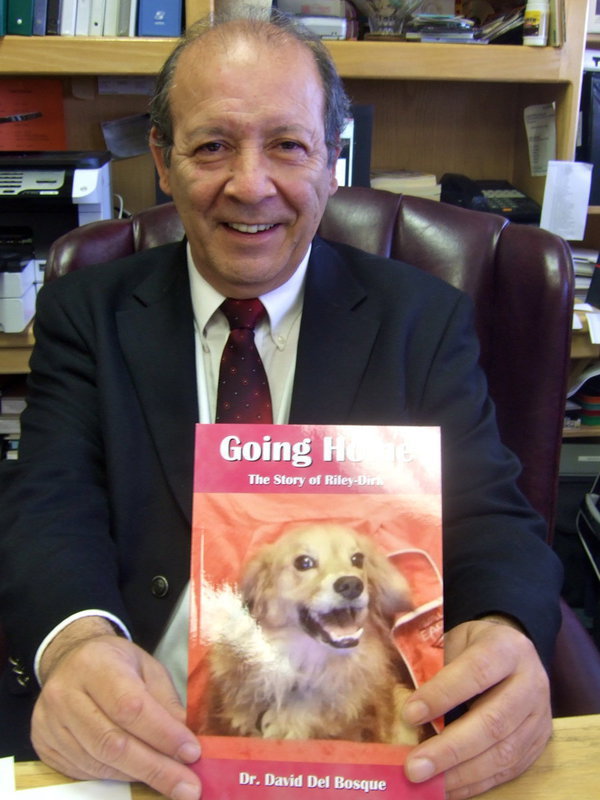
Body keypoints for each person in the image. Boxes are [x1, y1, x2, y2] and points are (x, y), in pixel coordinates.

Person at [0, 10, 563, 800]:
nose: (251, 183)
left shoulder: (420, 320)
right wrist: (75, 644)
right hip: (140, 734)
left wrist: (504, 630)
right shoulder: (85, 312)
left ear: (332, 162)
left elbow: (492, 518)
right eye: (212, 146)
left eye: (288, 145)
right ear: (162, 161)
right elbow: (48, 504)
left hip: (354, 733)